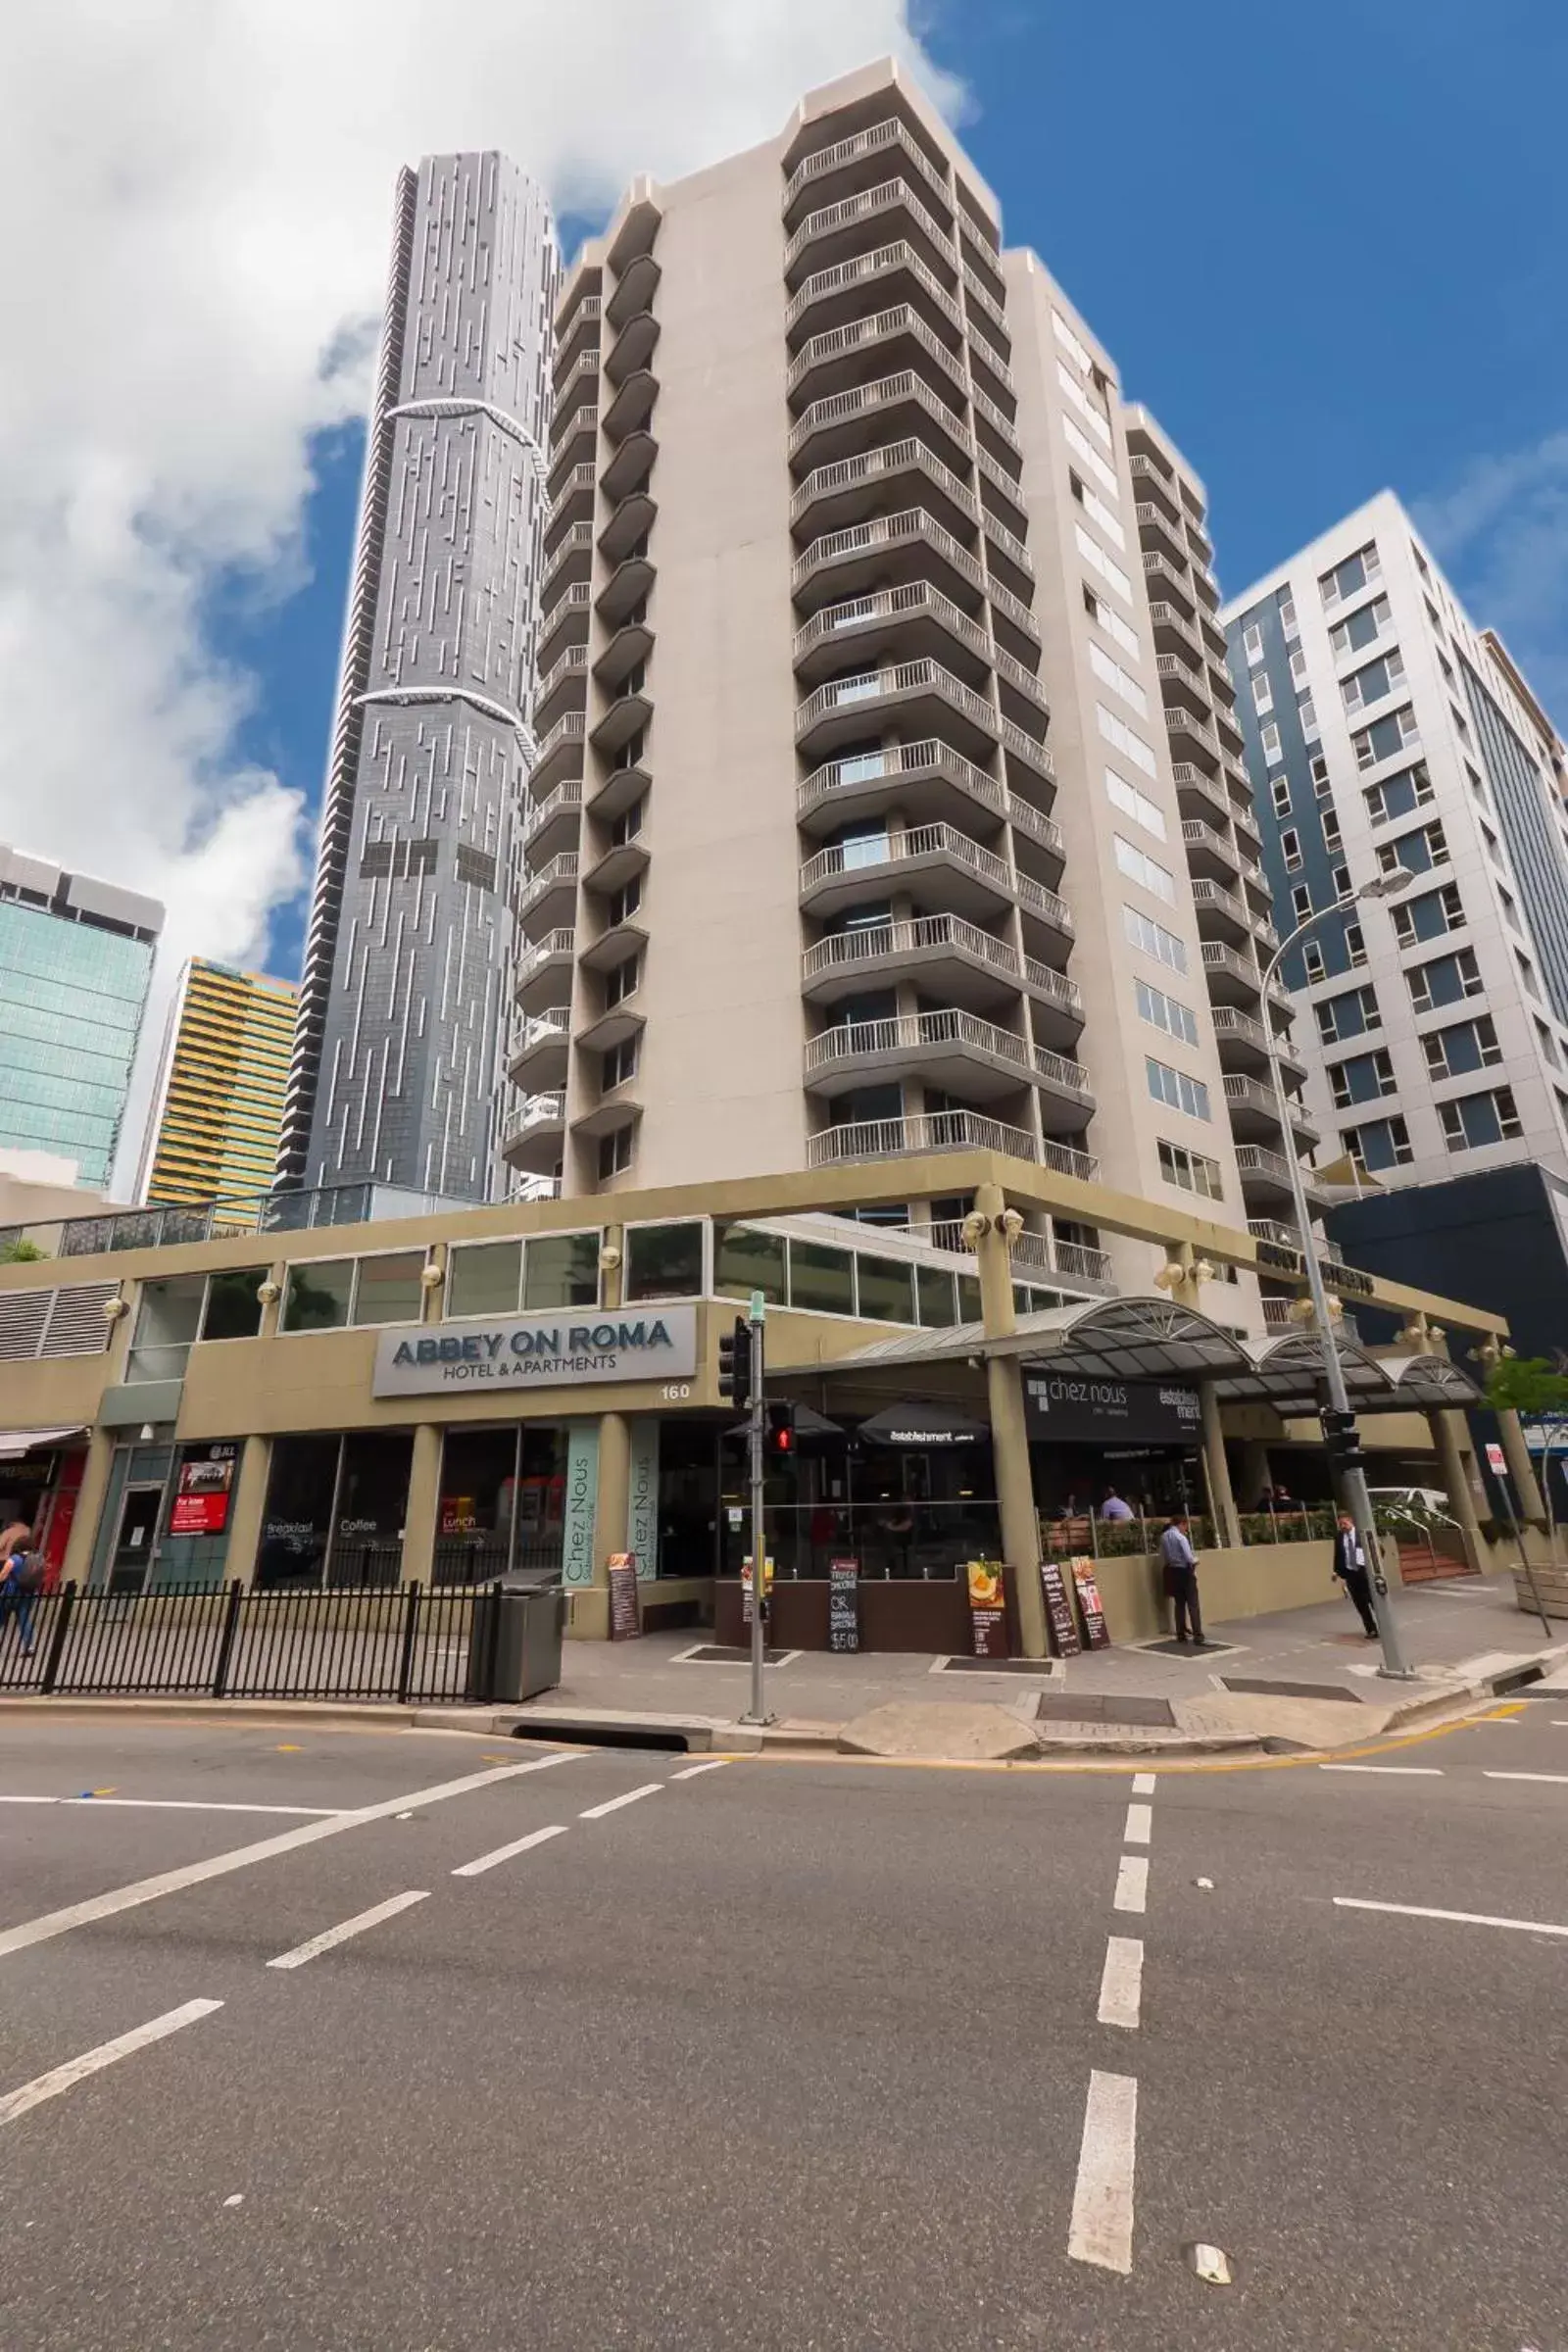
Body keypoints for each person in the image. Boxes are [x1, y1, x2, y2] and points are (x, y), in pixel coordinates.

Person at [1332, 1511, 1379, 1640]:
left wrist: (1374, 1566)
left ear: (1351, 1521)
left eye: (1344, 1523)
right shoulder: (1339, 1537)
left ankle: (1384, 1626)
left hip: (1365, 1573)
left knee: (1373, 1601)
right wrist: (1336, 1571)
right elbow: (1338, 1555)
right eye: (1340, 1524)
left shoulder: (1362, 1534)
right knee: (1361, 1605)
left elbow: (1379, 1550)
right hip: (1350, 1574)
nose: (1343, 1526)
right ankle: (1371, 1630)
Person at [1159, 1512, 1204, 1646]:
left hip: (1173, 1571)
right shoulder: (1181, 1538)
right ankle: (1198, 1635)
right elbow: (1189, 1558)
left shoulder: (1164, 1536)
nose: (1186, 1529)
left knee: (1179, 1604)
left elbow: (1165, 1556)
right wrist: (1197, 1560)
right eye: (1186, 1526)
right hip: (1185, 1571)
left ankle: (1181, 1633)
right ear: (1182, 1524)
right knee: (1193, 1604)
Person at [0, 1531, 39, 1657]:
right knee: (24, 1619)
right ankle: (29, 1647)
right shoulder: (37, 1560)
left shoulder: (15, 1559)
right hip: (29, 1594)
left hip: (11, 1594)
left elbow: (3, 1576)